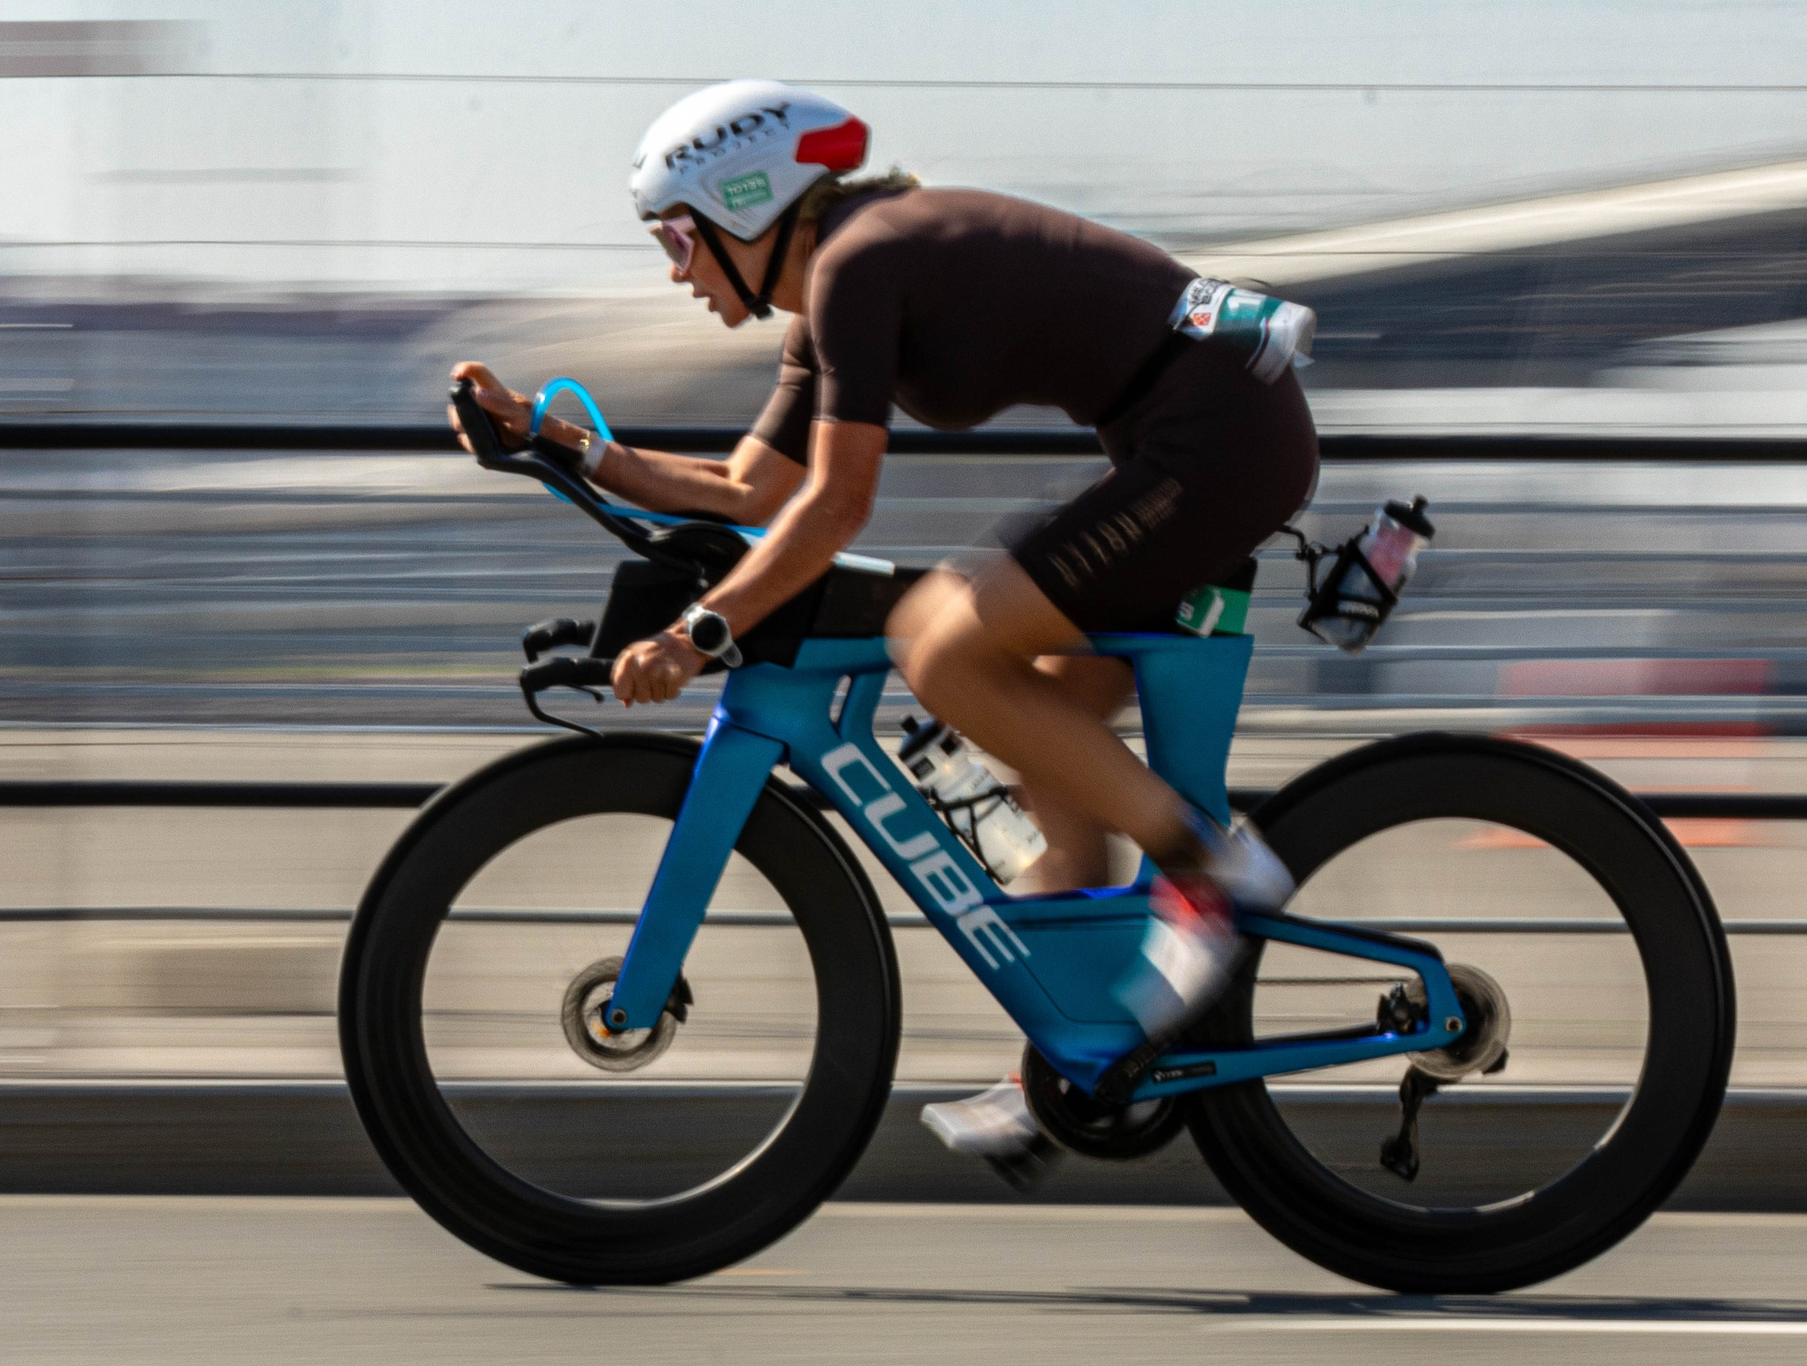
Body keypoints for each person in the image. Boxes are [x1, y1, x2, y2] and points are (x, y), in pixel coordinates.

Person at [450, 80, 1319, 1182]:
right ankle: (1079, 1049)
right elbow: (754, 485)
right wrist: (556, 440)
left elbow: (835, 506)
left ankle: (1210, 875)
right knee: (1038, 723)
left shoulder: (861, 261)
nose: (674, 268)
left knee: (941, 644)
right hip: (1193, 440)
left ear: (747, 203)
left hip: (1217, 442)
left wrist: (702, 633)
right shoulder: (834, 292)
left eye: (678, 236)